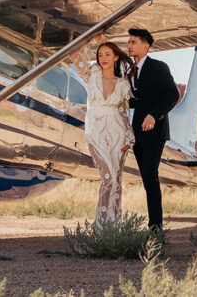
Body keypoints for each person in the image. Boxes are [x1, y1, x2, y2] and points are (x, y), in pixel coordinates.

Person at [71, 33, 136, 225]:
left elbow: (124, 113)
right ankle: (100, 226)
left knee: (116, 180)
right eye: (100, 55)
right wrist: (96, 40)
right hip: (95, 131)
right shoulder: (92, 74)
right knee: (107, 178)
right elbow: (75, 53)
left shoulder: (123, 84)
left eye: (108, 54)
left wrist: (128, 135)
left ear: (115, 57)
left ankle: (113, 226)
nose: (103, 59)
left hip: (117, 132)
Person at [127, 27, 179, 231]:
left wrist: (154, 115)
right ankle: (154, 224)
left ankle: (156, 226)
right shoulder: (130, 70)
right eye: (129, 42)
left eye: (133, 42)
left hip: (155, 131)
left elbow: (172, 95)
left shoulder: (158, 67)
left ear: (145, 46)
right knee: (147, 178)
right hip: (136, 132)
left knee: (150, 175)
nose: (129, 45)